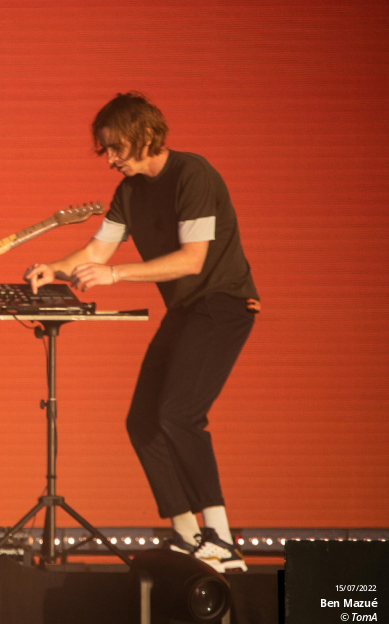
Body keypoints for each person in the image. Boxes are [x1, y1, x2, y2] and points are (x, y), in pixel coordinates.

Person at [25, 93, 258, 572]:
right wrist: (54, 267)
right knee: (142, 423)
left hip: (223, 304)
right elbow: (96, 251)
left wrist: (114, 276)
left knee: (179, 414)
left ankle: (221, 539)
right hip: (187, 311)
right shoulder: (129, 192)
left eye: (115, 149)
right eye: (105, 151)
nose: (109, 160)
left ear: (144, 136)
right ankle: (188, 536)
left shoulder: (192, 174)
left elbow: (191, 260)